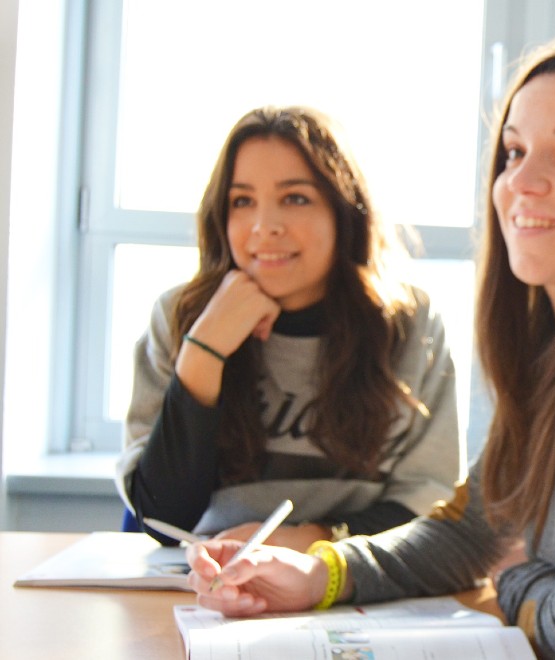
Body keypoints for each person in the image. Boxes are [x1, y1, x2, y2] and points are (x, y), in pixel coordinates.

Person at [184, 39, 555, 660]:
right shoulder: (553, 344)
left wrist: (515, 578)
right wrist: (321, 572)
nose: (520, 182)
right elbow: (477, 528)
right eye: (515, 152)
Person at [116, 106, 461, 552]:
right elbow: (163, 520)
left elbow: (429, 502)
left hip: (357, 580)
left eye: (295, 198)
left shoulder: (409, 324)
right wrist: (203, 352)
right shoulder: (180, 315)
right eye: (242, 201)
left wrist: (310, 540)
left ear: (344, 212)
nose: (264, 227)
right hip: (204, 581)